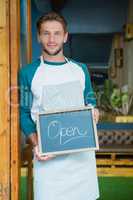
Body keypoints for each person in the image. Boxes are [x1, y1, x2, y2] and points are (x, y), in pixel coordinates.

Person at [19, 11, 100, 200]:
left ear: (65, 36)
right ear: (39, 36)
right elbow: (23, 112)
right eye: (46, 33)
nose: (51, 39)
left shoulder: (81, 69)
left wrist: (94, 111)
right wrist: (37, 143)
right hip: (48, 160)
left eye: (57, 33)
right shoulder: (28, 72)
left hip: (82, 160)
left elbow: (90, 100)